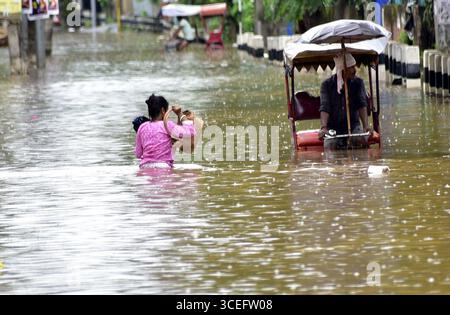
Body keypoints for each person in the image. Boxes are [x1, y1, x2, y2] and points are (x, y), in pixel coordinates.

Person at [318, 52, 372, 149]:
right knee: (330, 144)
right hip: (333, 127)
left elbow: (362, 104)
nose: (354, 70)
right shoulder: (326, 85)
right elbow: (324, 107)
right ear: (342, 70)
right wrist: (324, 127)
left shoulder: (358, 83)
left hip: (354, 125)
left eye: (354, 67)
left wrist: (366, 126)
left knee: (361, 141)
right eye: (351, 67)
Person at [135, 94, 196, 169]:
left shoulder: (142, 127)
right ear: (163, 111)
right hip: (163, 167)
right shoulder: (166, 125)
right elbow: (190, 132)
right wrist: (180, 114)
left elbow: (138, 154)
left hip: (144, 167)